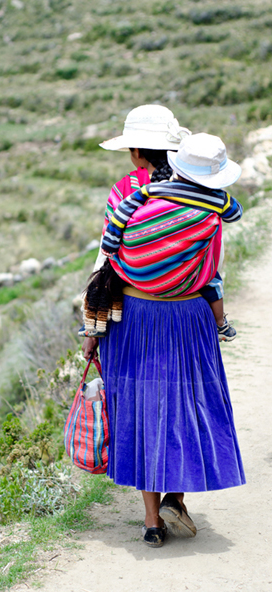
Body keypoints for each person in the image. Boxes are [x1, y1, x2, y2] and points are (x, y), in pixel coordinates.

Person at [82, 132, 246, 549]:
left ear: (136, 151)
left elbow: (107, 265)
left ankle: (152, 521)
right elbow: (211, 273)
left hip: (134, 316)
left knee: (141, 407)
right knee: (186, 404)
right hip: (188, 315)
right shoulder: (209, 215)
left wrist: (93, 330)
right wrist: (220, 321)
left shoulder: (128, 200)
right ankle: (177, 495)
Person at [100, 133, 243, 341]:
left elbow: (124, 209)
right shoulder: (218, 199)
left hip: (137, 277)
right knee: (212, 280)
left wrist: (110, 243)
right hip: (183, 286)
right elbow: (236, 214)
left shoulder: (154, 189)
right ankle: (220, 324)